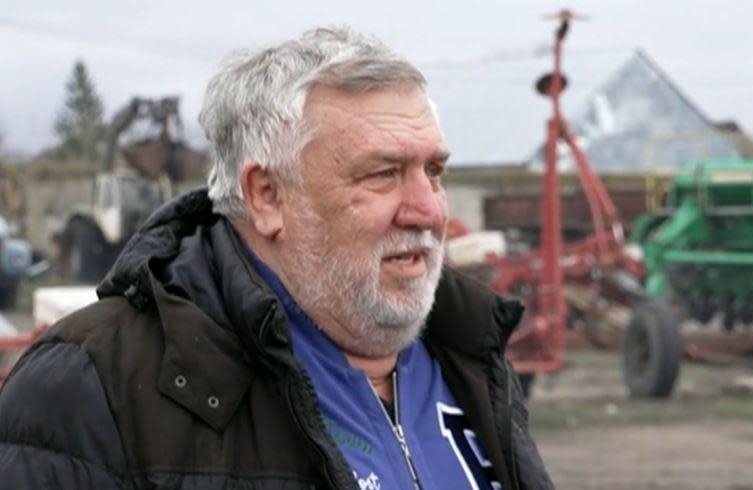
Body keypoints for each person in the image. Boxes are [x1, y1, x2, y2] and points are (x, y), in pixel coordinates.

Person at [0, 27, 553, 489]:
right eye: (383, 174)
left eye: (433, 172)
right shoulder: (94, 384)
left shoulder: (471, 357)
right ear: (266, 196)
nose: (428, 210)